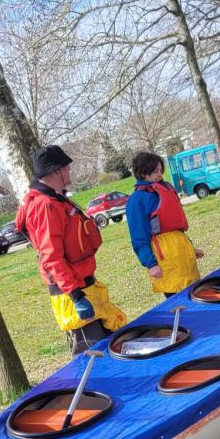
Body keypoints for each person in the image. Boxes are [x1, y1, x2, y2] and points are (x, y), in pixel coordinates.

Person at [16, 145, 126, 355]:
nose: (70, 171)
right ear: (56, 171)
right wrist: (75, 296)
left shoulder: (57, 199)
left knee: (111, 344)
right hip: (73, 292)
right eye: (66, 167)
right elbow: (51, 256)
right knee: (92, 356)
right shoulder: (45, 206)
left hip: (84, 284)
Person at [126, 150, 203, 296]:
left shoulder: (165, 190)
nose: (160, 174)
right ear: (143, 173)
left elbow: (176, 227)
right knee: (177, 298)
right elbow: (139, 236)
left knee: (196, 292)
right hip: (164, 254)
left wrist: (191, 248)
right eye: (155, 171)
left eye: (161, 171)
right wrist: (151, 264)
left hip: (182, 249)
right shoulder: (137, 200)